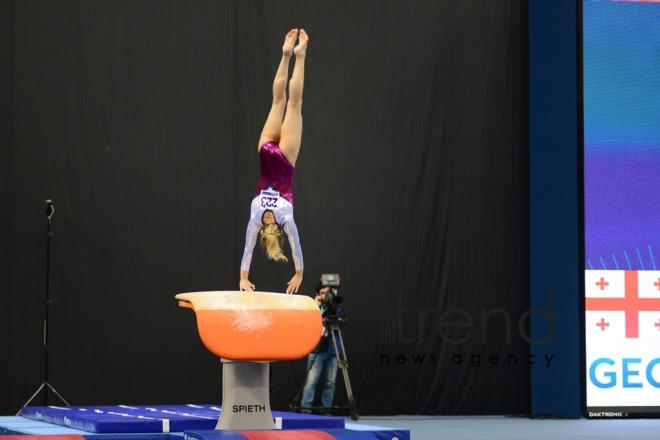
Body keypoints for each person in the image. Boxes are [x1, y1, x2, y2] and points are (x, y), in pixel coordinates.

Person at [239, 29, 308, 295]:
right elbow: (249, 247)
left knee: (292, 104)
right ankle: (287, 54)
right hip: (267, 152)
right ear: (274, 228)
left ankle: (295, 55)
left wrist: (299, 272)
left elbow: (294, 245)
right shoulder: (259, 217)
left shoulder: (283, 218)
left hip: (282, 158)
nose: (267, 220)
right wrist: (243, 277)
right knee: (281, 102)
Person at [301, 283, 346, 414]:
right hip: (317, 351)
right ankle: (305, 411)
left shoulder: (337, 310)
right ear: (318, 295)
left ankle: (326, 411)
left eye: (328, 293)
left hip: (333, 351)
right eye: (322, 293)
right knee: (311, 382)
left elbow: (341, 323)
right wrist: (316, 306)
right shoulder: (314, 309)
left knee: (330, 383)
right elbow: (309, 324)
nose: (325, 295)